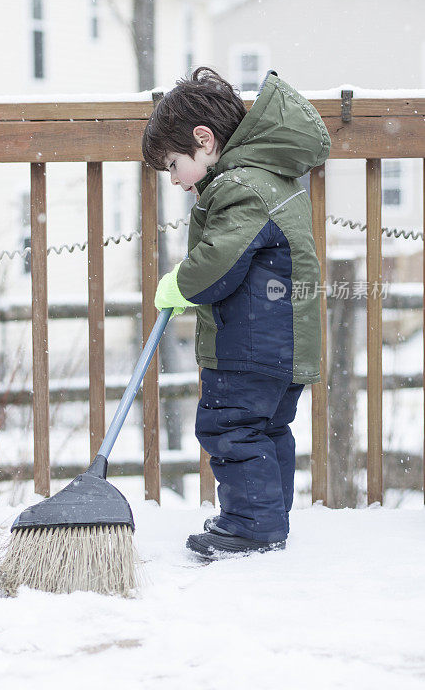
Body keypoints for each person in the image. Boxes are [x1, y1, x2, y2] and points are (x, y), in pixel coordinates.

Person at [141, 67, 331, 559]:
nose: (176, 180)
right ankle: (268, 517)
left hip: (252, 345)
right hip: (280, 343)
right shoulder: (268, 176)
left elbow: (220, 262)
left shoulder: (241, 187)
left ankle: (252, 526)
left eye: (173, 164)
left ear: (203, 141)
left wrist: (180, 284)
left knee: (230, 427)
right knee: (266, 430)